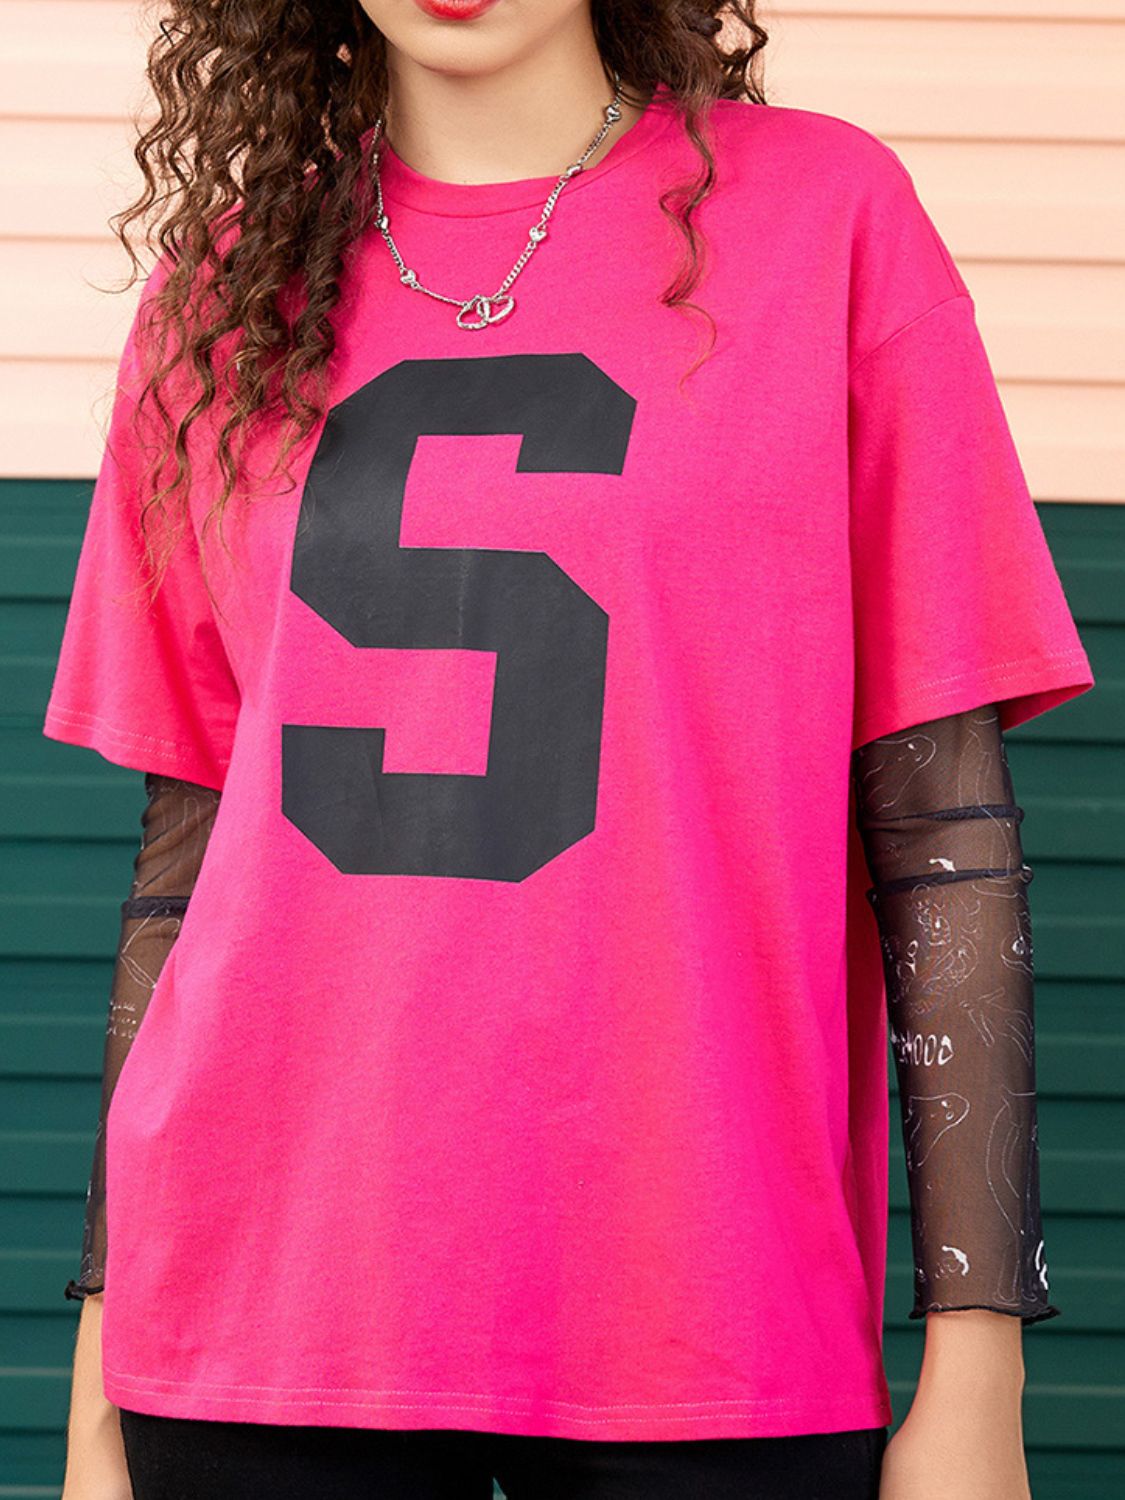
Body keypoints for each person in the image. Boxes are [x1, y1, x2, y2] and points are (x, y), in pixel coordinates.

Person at [45, 2, 1094, 1498]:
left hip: (704, 1311)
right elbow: (186, 870)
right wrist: (101, 1365)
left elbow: (944, 845)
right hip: (258, 1313)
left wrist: (978, 1363)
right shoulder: (216, 295)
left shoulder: (826, 217)